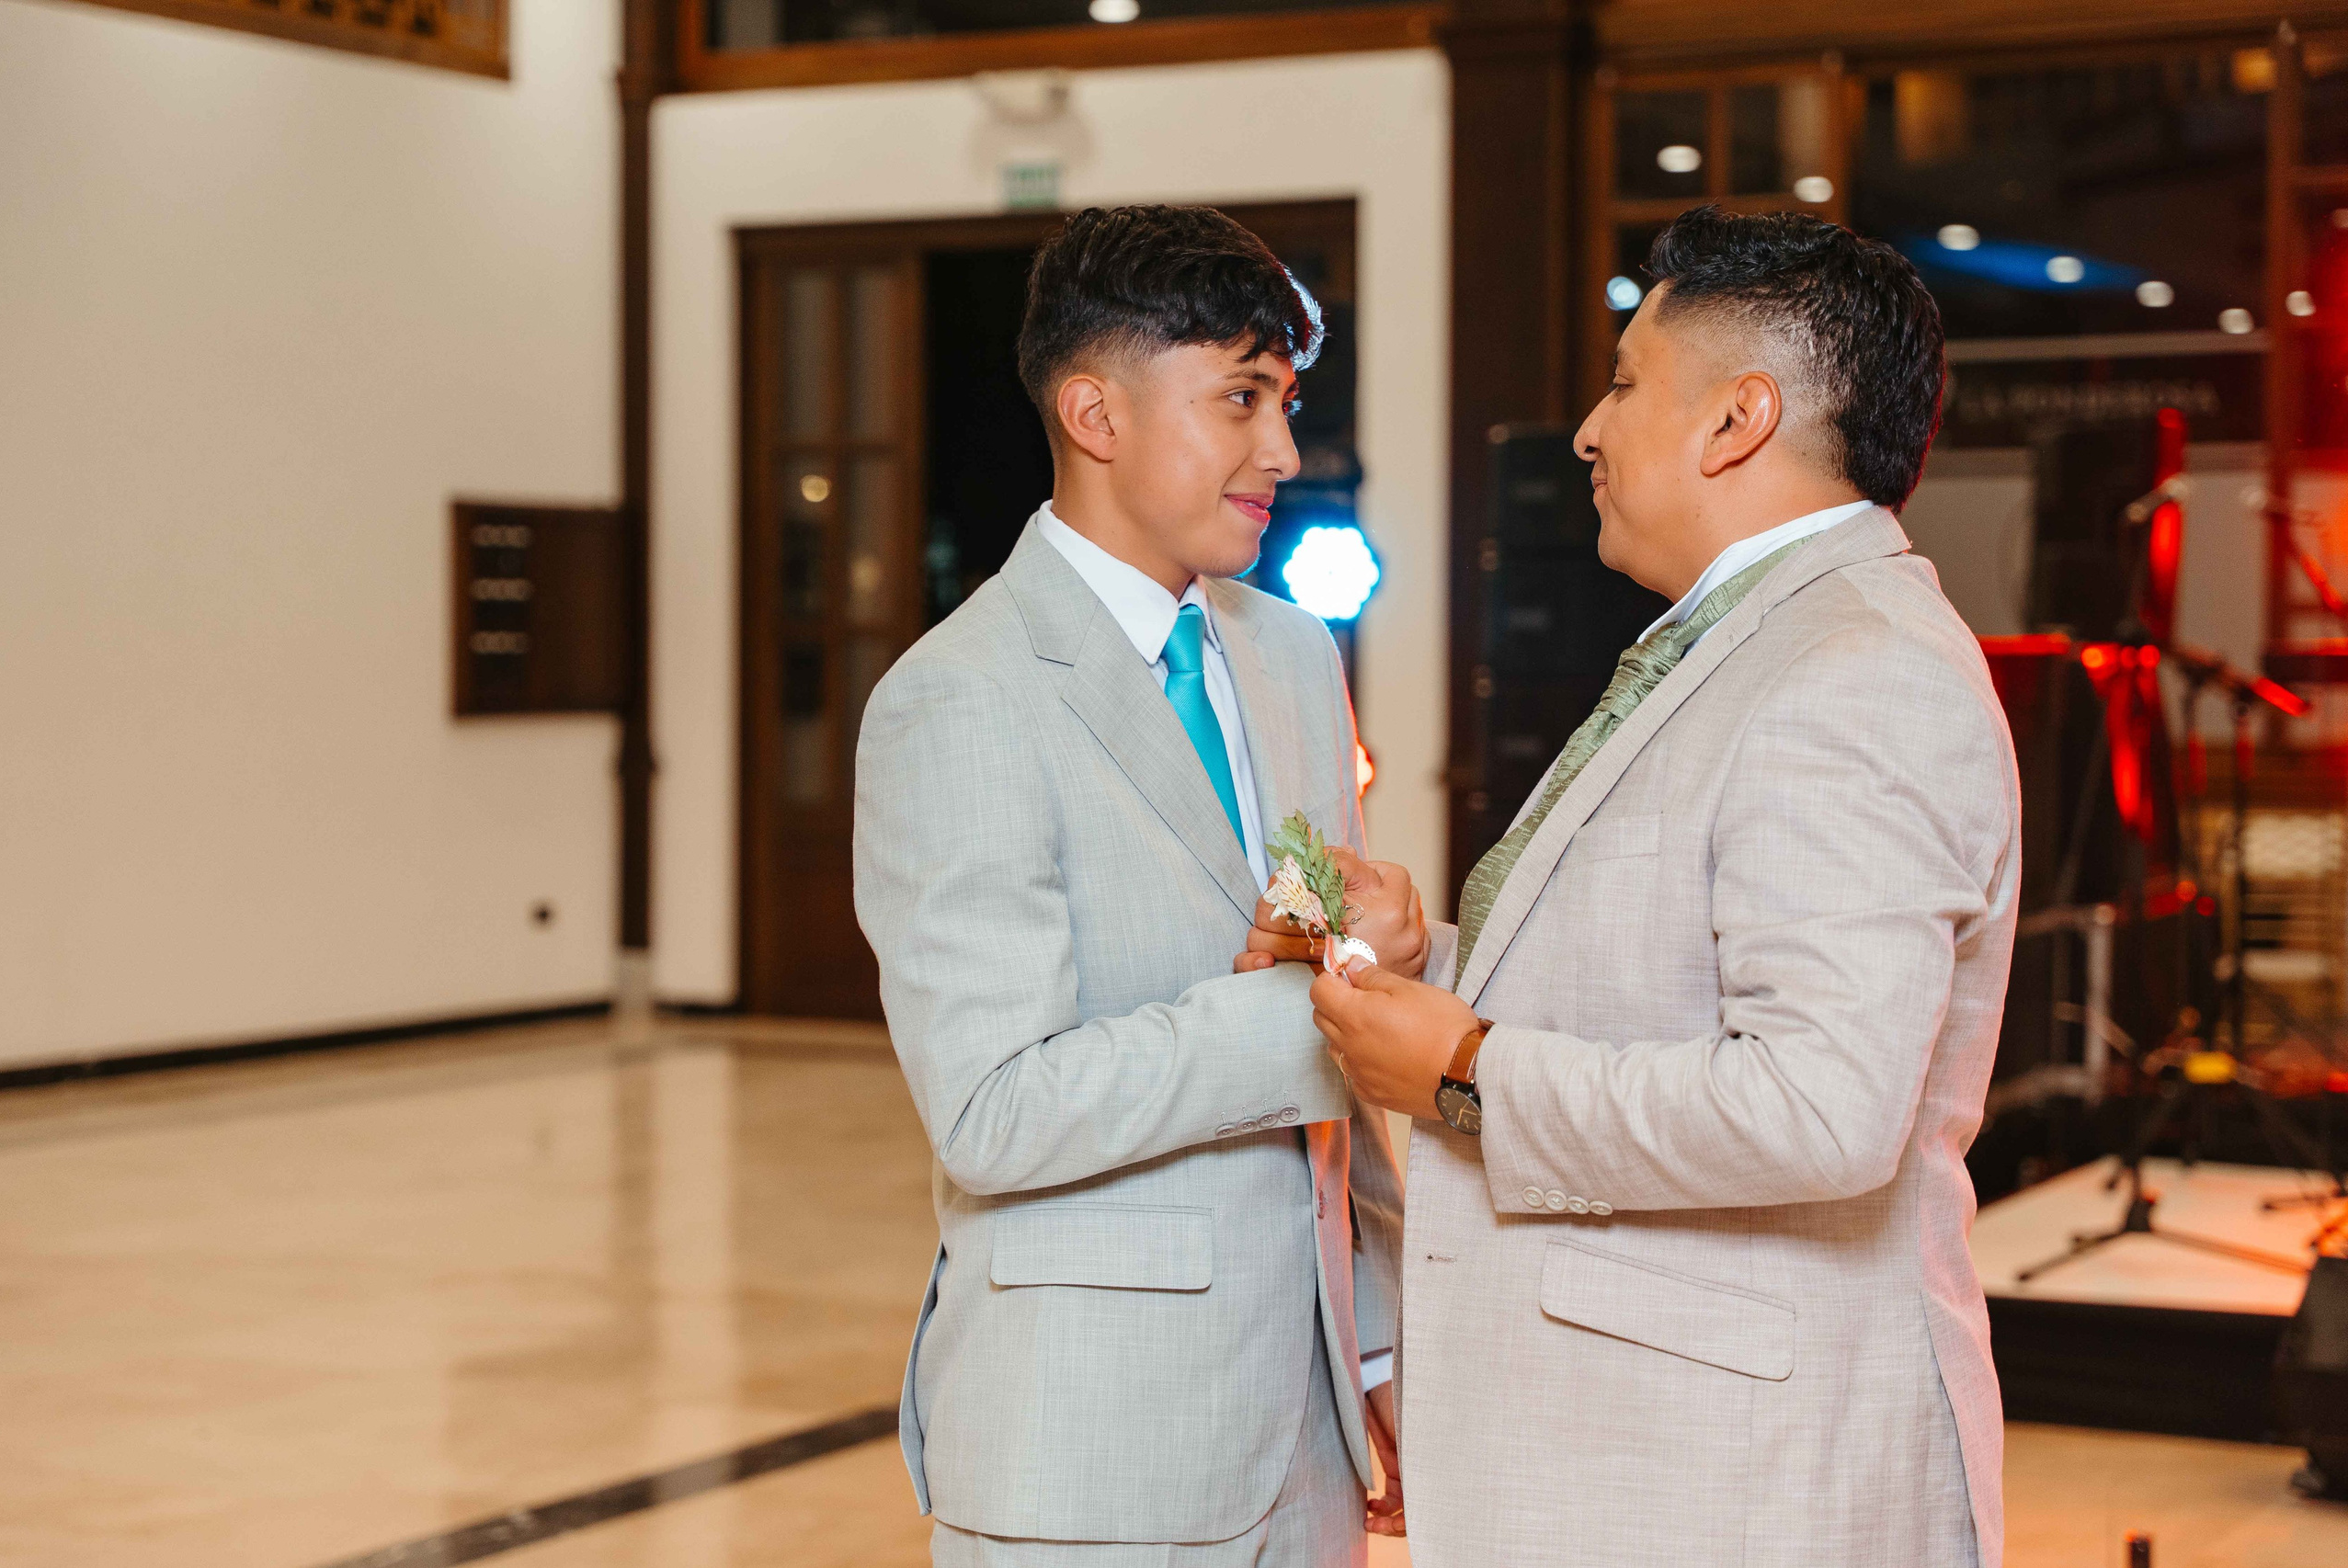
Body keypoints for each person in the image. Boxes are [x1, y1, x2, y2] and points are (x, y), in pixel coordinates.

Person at [1245, 205, 2019, 1564]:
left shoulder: (1857, 669)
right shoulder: (1756, 636)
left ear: (1738, 420)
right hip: (1663, 1451)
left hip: (1749, 1484)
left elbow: (1821, 1106)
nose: (1589, 432)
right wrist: (1431, 964)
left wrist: (1467, 1072)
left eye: (1622, 383)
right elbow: (1669, 978)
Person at [854, 204, 1417, 1566]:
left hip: (1307, 1431)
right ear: (1095, 412)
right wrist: (1324, 1010)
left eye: (1286, 404)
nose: (1282, 451)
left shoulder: (1292, 654)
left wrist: (1381, 1340)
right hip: (1089, 1444)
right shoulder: (959, 696)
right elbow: (992, 1111)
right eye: (1242, 399)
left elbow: (1327, 1091)